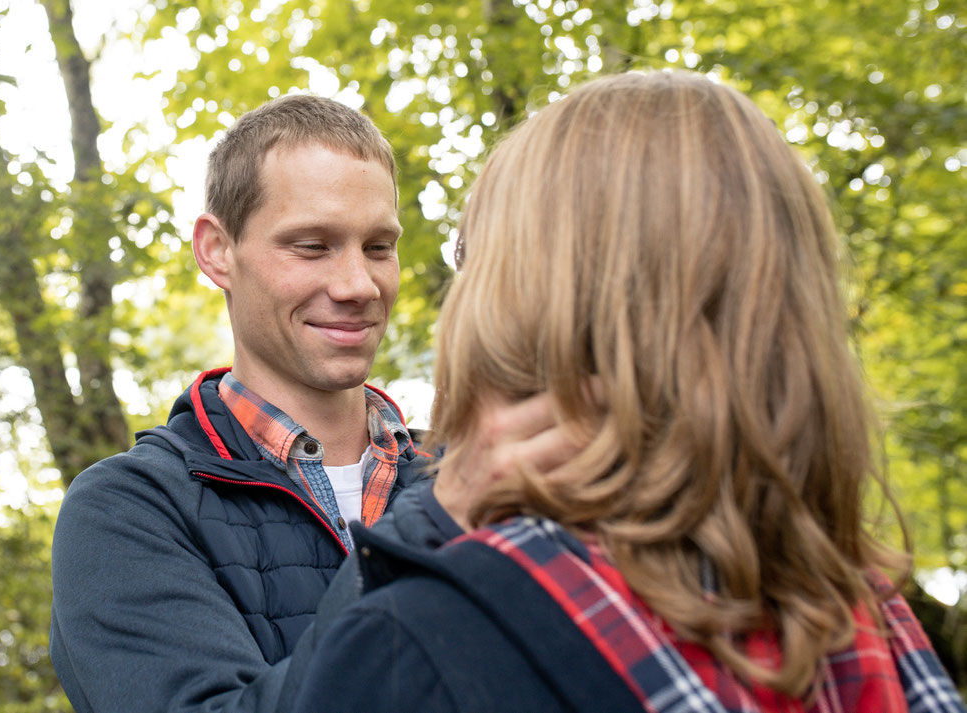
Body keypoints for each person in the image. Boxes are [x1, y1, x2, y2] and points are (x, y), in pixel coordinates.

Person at [292, 72, 967, 713]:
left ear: (524, 298)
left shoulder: (421, 646)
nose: (360, 286)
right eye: (312, 246)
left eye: (472, 257)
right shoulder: (868, 615)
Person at [49, 95, 456, 713]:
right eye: (311, 246)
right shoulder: (128, 511)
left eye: (378, 247)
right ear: (217, 251)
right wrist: (443, 516)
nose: (358, 286)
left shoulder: (465, 469)